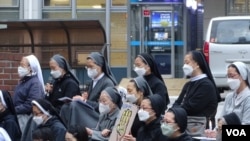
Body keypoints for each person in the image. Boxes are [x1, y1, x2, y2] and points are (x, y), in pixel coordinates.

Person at [172, 50, 221, 137]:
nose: (184, 66)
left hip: (198, 129)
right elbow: (178, 102)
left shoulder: (206, 85)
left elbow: (191, 107)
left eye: (187, 63)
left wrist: (174, 113)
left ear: (197, 64)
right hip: (186, 125)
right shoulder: (189, 84)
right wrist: (171, 111)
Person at [13, 54, 45, 133]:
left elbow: (31, 104)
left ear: (30, 68)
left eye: (22, 65)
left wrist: (14, 109)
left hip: (26, 119)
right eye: (20, 65)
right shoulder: (23, 82)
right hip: (18, 117)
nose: (20, 68)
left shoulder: (35, 84)